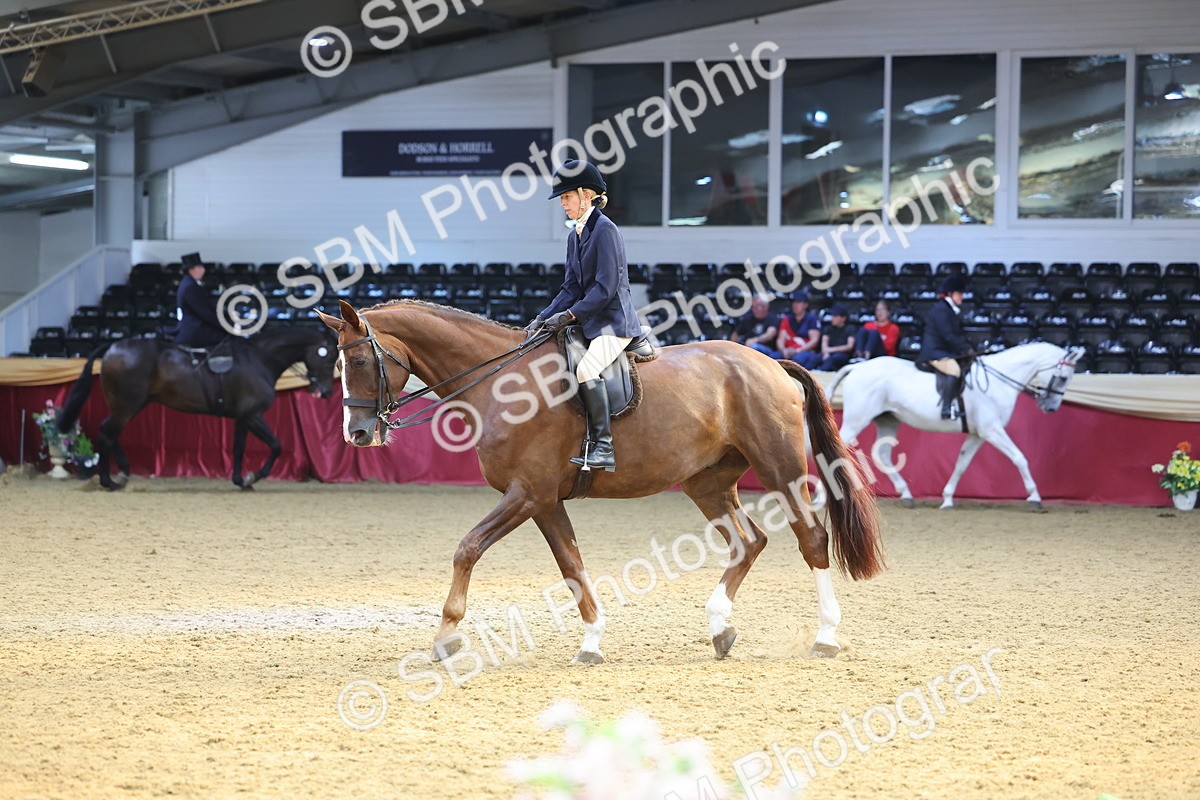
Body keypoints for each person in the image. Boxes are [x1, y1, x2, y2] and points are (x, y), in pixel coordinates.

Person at [525, 160, 641, 473]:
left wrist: (569, 316)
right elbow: (570, 288)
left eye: (566, 197)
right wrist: (542, 318)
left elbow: (605, 288)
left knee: (587, 369)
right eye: (561, 198)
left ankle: (604, 446)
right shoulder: (575, 235)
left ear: (586, 195)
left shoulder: (605, 230)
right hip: (591, 322)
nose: (562, 204)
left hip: (614, 323)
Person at [918, 274, 974, 419]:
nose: (962, 297)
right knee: (955, 370)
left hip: (943, 350)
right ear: (950, 293)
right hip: (935, 352)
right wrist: (966, 349)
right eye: (959, 293)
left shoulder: (948, 309)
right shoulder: (941, 310)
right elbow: (948, 335)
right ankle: (946, 408)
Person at [174, 252, 226, 348]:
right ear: (191, 270)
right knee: (227, 336)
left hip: (194, 325)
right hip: (195, 329)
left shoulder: (187, 283)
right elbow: (205, 313)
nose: (203, 270)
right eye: (200, 268)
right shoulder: (190, 287)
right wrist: (226, 325)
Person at [777, 289, 821, 369]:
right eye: (794, 302)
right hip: (788, 350)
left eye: (798, 302)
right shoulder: (787, 318)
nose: (795, 305)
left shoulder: (812, 319)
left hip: (805, 351)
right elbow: (780, 339)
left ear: (805, 305)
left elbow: (814, 341)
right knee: (773, 357)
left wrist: (798, 350)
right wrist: (783, 350)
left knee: (797, 359)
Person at [818, 304, 857, 371]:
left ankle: (821, 372)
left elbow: (849, 346)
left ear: (843, 318)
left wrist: (830, 350)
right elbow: (824, 345)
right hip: (828, 353)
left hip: (843, 354)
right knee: (814, 358)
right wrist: (826, 352)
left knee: (834, 358)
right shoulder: (828, 328)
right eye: (832, 316)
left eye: (835, 316)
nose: (832, 318)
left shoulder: (850, 328)